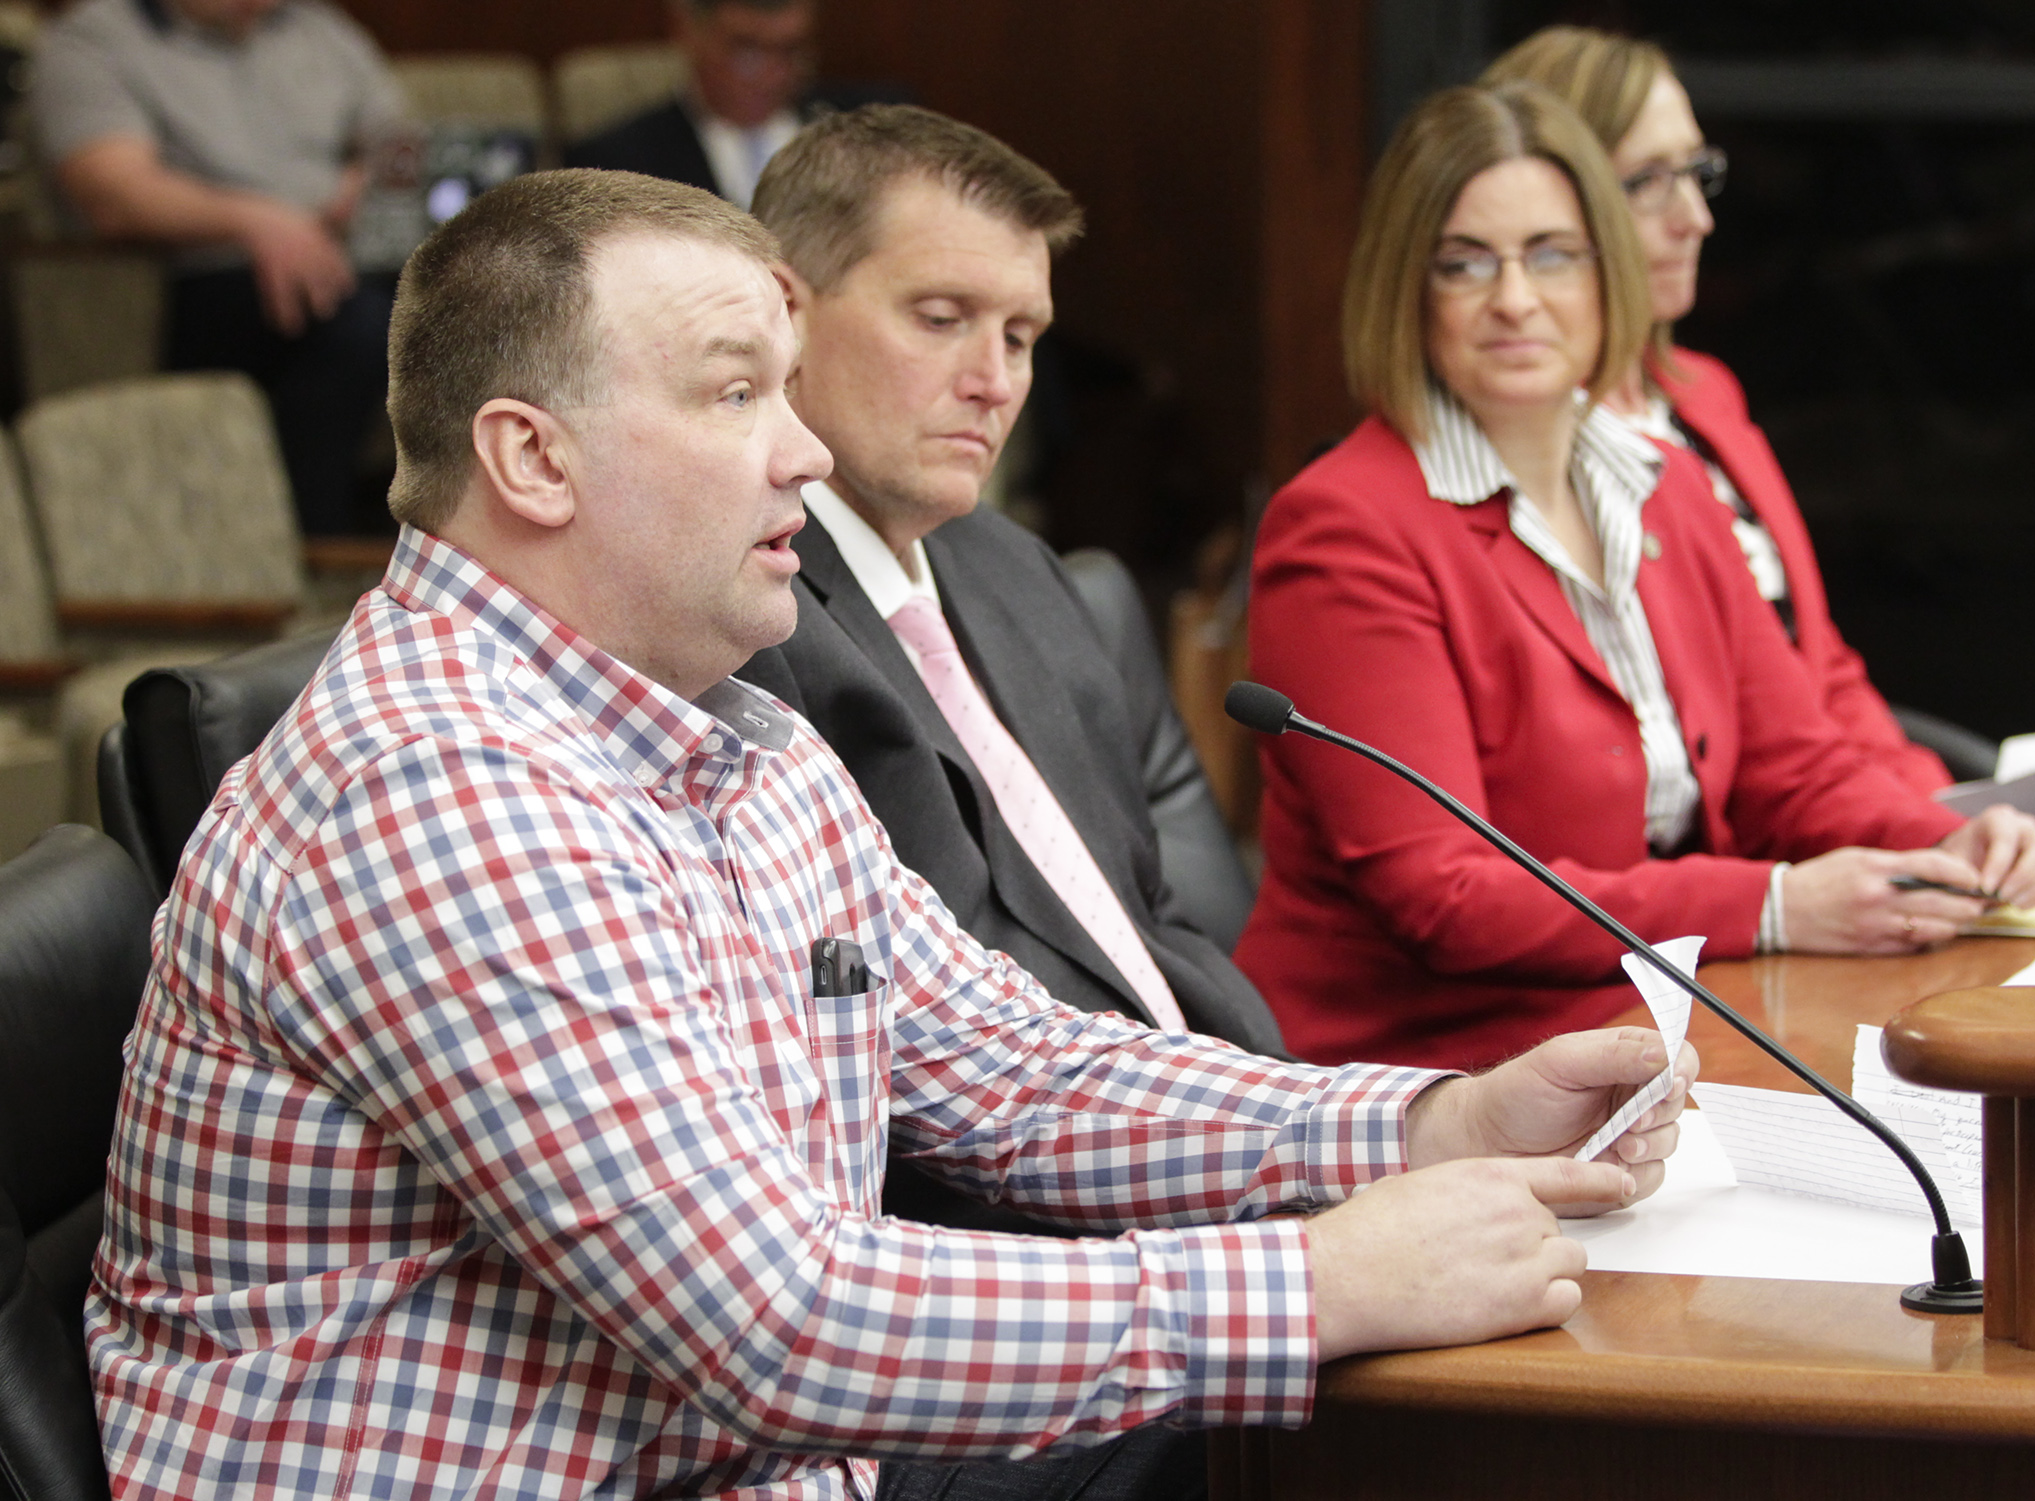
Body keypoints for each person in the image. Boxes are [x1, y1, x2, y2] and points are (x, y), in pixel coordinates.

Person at [88, 166, 1697, 1501]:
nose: (801, 449)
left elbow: (1013, 1069)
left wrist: (1427, 1127)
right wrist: (1320, 1282)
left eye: (788, 391)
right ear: (531, 456)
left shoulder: (732, 726)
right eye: (735, 393)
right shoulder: (435, 793)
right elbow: (779, 1318)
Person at [1236, 83, 2035, 1073]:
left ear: (1607, 275)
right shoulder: (1346, 528)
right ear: (1404, 291)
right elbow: (1448, 895)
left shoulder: (1661, 482)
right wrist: (1773, 903)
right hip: (1429, 1067)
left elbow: (1791, 764)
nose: (1514, 299)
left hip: (1650, 1013)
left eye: (1553, 254)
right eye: (1463, 264)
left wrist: (1946, 848)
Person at [737, 106, 1278, 1074]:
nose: (994, 380)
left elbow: (1143, 919)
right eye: (942, 320)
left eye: (1022, 337)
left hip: (1221, 1117)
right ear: (786, 311)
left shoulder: (1016, 569)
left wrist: (1305, 1111)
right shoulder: (742, 611)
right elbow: (914, 1044)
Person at [1482, 28, 1953, 795]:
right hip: (1719, 859)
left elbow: (1818, 668)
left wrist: (1938, 808)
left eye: (1698, 173)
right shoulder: (1525, 444)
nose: (1695, 218)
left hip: (1825, 821)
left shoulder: (1703, 392)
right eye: (1648, 182)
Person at [32, 0, 404, 536]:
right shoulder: (92, 40)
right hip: (200, 275)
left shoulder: (319, 29)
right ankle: (311, 550)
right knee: (359, 326)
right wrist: (258, 222)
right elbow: (114, 193)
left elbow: (402, 141)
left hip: (348, 251)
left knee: (480, 305)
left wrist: (366, 186)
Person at [566, 0, 831, 210]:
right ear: (689, 31)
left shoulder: (853, 128)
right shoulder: (615, 162)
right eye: (747, 51)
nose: (773, 75)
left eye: (791, 50)